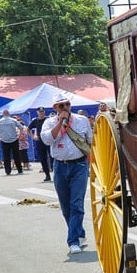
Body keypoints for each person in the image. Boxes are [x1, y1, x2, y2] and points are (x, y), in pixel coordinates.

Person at [41, 93, 93, 254]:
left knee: (76, 203)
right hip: (59, 166)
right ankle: (79, 233)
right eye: (61, 106)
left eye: (67, 105)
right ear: (55, 108)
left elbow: (89, 141)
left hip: (79, 165)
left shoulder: (81, 120)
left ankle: (73, 241)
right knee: (65, 206)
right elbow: (47, 140)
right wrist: (60, 123)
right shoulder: (49, 122)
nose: (65, 108)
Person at [0, 109, 24, 175]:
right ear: (9, 114)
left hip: (4, 140)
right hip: (14, 140)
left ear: (3, 114)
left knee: (6, 156)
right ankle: (19, 169)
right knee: (16, 155)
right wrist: (19, 135)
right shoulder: (13, 120)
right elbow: (21, 128)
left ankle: (7, 171)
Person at [29, 107, 52, 181]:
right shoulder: (35, 120)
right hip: (40, 141)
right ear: (37, 112)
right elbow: (28, 129)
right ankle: (47, 175)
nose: (41, 113)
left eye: (42, 111)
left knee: (53, 157)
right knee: (43, 158)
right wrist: (33, 136)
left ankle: (55, 173)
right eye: (40, 112)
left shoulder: (48, 120)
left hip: (48, 139)